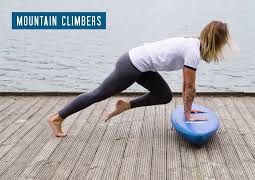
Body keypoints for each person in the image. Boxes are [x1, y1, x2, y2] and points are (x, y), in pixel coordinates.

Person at [48, 20, 231, 137]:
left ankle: (125, 105)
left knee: (164, 95)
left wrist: (188, 110)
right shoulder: (193, 51)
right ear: (218, 41)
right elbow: (189, 88)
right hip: (132, 65)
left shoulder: (193, 43)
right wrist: (188, 114)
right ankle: (57, 117)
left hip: (142, 66)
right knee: (99, 93)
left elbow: (186, 86)